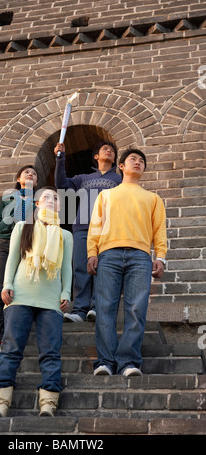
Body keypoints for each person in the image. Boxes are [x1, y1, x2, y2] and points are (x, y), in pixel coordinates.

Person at [0, 187, 73, 417]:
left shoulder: (66, 235)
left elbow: (66, 268)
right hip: (21, 295)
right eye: (45, 197)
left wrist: (66, 292)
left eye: (55, 198)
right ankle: (1, 403)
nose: (50, 200)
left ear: (59, 206)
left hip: (51, 300)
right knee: (11, 349)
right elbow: (13, 259)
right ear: (36, 204)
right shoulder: (22, 227)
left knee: (50, 352)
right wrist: (7, 284)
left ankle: (48, 403)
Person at [87, 148, 167, 377]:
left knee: (136, 309)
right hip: (108, 254)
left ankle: (128, 362)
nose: (138, 163)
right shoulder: (106, 195)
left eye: (142, 161)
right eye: (133, 159)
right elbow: (96, 226)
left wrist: (159, 256)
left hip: (141, 256)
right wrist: (92, 252)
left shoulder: (153, 198)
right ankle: (105, 361)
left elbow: (159, 231)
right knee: (105, 308)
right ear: (120, 166)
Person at [54, 140, 121, 322]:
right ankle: (80, 310)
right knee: (81, 268)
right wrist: (60, 159)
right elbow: (61, 185)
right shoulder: (83, 178)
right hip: (83, 227)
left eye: (112, 150)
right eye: (104, 149)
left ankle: (97, 307)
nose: (108, 151)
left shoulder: (120, 180)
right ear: (96, 156)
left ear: (115, 158)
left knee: (103, 269)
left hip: (108, 229)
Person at [0, 165, 38, 345]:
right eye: (26, 173)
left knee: (20, 287)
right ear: (18, 179)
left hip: (27, 245)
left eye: (34, 174)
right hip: (4, 243)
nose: (30, 174)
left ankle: (12, 333)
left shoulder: (39, 200)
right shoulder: (7, 199)